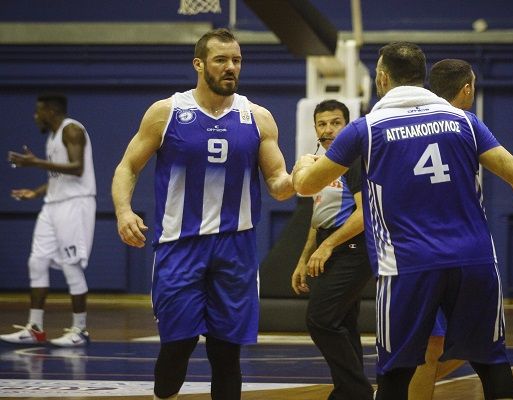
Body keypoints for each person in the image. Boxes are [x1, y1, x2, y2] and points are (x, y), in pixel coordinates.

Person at [293, 41, 513, 400]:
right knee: (492, 365)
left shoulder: (367, 128)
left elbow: (306, 186)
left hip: (407, 265)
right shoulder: (465, 121)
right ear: (421, 76)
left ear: (382, 77)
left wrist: (302, 165)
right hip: (473, 260)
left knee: (396, 374)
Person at [111, 28, 294, 400]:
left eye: (237, 60)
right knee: (177, 346)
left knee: (227, 353)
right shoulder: (166, 112)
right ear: (199, 64)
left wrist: (305, 178)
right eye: (221, 60)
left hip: (236, 248)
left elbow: (278, 182)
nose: (231, 67)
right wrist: (123, 210)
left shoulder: (258, 117)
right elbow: (128, 166)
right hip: (180, 246)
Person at [291, 99, 373, 400]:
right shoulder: (322, 165)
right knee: (343, 323)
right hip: (332, 245)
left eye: (336, 123)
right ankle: (350, 393)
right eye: (322, 124)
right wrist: (304, 258)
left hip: (353, 248)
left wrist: (327, 245)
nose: (328, 130)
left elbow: (364, 215)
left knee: (320, 319)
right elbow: (319, 217)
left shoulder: (354, 161)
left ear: (348, 126)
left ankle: (356, 391)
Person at [406, 58, 477, 400]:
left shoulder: (404, 126)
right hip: (451, 249)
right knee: (443, 345)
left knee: (441, 346)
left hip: (420, 250)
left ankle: (395, 390)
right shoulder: (466, 125)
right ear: (467, 89)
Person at [1, 93, 96, 347]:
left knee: (71, 266)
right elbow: (58, 177)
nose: (35, 116)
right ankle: (35, 328)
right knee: (37, 262)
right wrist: (36, 192)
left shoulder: (72, 130)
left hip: (75, 204)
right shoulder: (53, 137)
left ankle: (80, 330)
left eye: (38, 111)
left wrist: (35, 163)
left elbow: (77, 168)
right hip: (52, 204)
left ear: (51, 111)